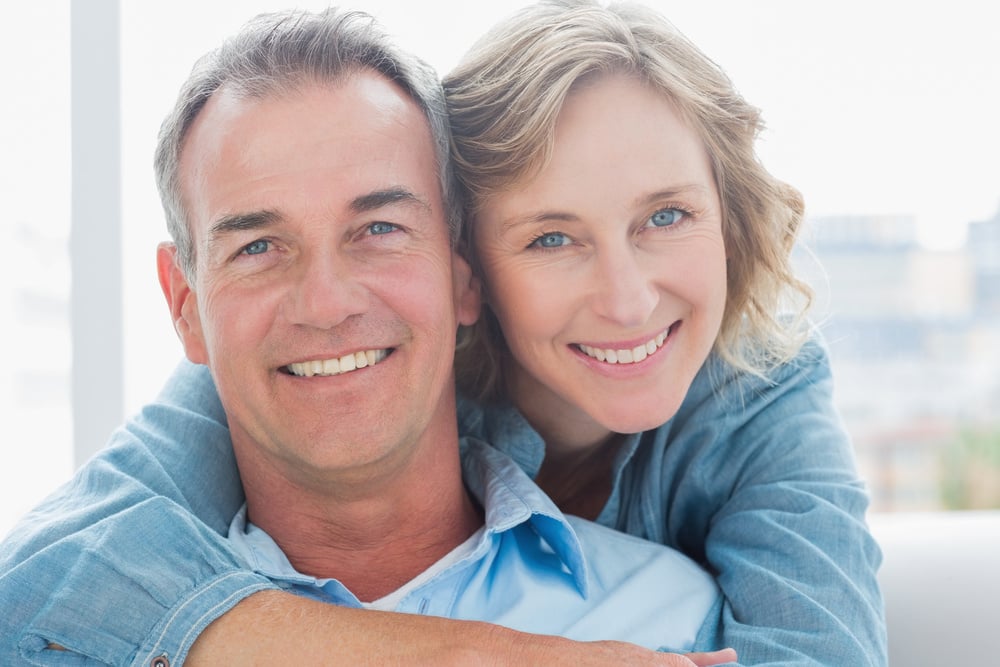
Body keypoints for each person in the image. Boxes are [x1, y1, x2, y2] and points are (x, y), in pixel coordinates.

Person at [1, 1, 886, 665]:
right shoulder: (281, 369)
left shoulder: (757, 398)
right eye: (550, 236)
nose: (624, 298)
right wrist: (468, 651)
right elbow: (35, 575)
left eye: (666, 216)